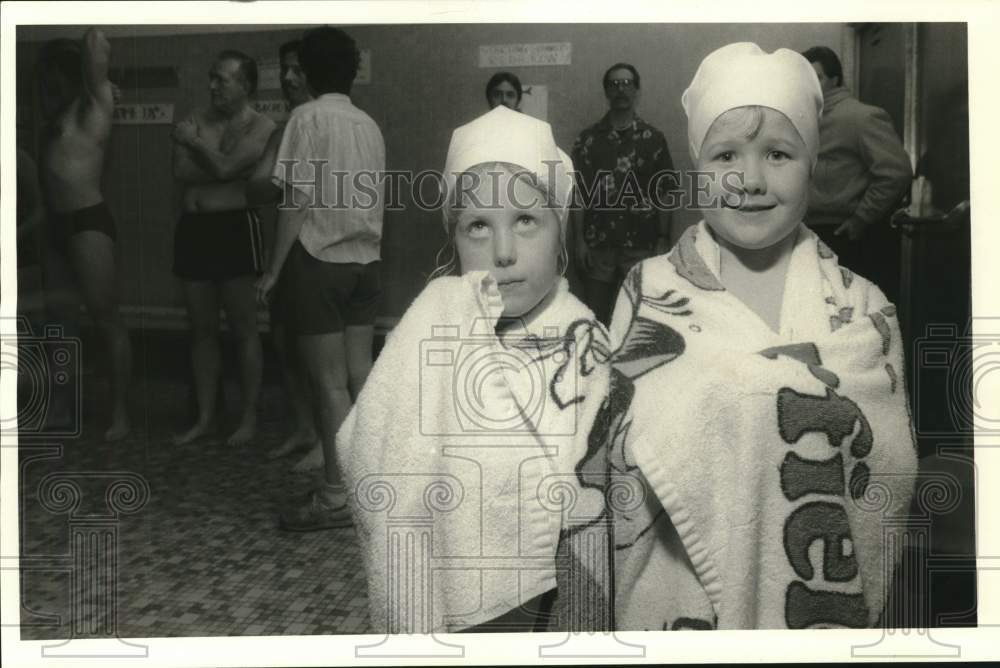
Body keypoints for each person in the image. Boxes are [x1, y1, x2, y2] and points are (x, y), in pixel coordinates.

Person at [605, 43, 917, 630]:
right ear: (697, 168)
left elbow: (892, 466)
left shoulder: (861, 304)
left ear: (814, 164)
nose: (749, 179)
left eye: (778, 153)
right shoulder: (646, 291)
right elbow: (612, 445)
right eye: (725, 155)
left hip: (818, 584)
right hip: (684, 598)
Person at [337, 105, 613, 633]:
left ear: (560, 229)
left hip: (556, 595)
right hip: (453, 593)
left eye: (526, 221)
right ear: (454, 237)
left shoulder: (585, 341)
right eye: (479, 226)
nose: (503, 252)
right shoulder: (430, 328)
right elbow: (368, 444)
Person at [257, 27, 385, 530]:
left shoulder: (306, 117)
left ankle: (336, 496)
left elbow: (296, 201)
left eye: (296, 68)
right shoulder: (368, 124)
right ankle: (367, 486)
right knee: (359, 378)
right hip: (365, 264)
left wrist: (271, 271)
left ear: (307, 71)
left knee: (328, 384)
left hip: (319, 263)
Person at [171, 50, 275, 447]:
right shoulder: (196, 118)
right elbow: (182, 172)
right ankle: (206, 417)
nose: (213, 85)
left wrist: (197, 146)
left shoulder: (262, 126)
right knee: (201, 330)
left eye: (222, 79)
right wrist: (217, 161)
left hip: (235, 228)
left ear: (246, 85)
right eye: (211, 78)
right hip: (194, 228)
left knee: (244, 328)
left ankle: (248, 419)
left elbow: (231, 170)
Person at [37, 29, 132, 441]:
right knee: (58, 322)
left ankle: (121, 413)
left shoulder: (94, 103)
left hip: (88, 223)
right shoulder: (57, 113)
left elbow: (96, 41)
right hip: (57, 225)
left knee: (106, 318)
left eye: (55, 74)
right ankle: (61, 405)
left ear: (73, 73)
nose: (47, 84)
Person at [245, 39, 319, 465]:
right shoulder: (285, 127)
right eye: (284, 70)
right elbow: (257, 185)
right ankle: (304, 427)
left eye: (297, 69)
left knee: (317, 349)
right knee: (284, 339)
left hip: (318, 251)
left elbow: (271, 184)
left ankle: (327, 442)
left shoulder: (325, 121)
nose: (288, 78)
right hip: (287, 251)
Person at [801, 46, 913, 303]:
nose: (809, 85)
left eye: (816, 77)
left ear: (834, 80)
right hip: (812, 235)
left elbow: (896, 173)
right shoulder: (804, 120)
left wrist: (861, 218)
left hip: (848, 238)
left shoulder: (860, 117)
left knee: (855, 313)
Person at [571, 62, 675, 325]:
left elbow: (665, 193)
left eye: (627, 83)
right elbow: (578, 193)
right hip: (598, 245)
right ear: (606, 91)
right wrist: (580, 240)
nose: (621, 89)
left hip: (641, 245)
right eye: (614, 84)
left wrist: (663, 238)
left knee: (638, 317)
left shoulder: (653, 138)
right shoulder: (588, 140)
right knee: (595, 317)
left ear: (637, 90)